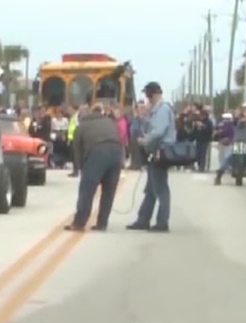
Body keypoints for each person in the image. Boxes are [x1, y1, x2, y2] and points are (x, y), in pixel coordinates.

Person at [66, 104, 122, 232]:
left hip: (97, 153)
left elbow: (77, 151)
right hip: (116, 153)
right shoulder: (109, 121)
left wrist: (80, 169)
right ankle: (102, 223)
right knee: (109, 192)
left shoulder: (81, 127)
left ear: (80, 118)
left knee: (87, 190)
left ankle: (79, 222)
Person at [128, 82, 176, 232]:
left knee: (160, 189)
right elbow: (151, 126)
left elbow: (158, 131)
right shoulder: (156, 110)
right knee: (150, 189)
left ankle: (162, 222)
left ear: (152, 94)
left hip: (160, 152)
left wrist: (145, 140)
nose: (146, 98)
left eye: (147, 95)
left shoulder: (162, 109)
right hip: (155, 151)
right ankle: (143, 219)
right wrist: (143, 117)